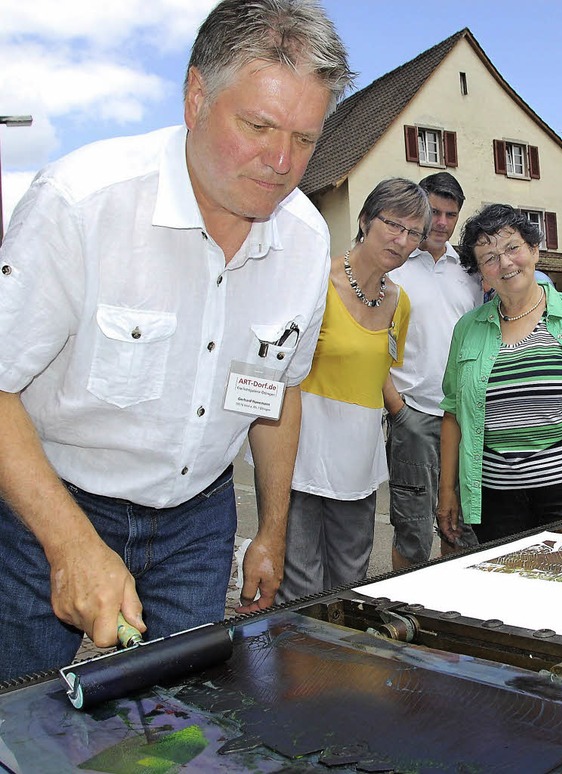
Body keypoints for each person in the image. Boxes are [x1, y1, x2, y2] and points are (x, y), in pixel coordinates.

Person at [0, 0, 354, 681]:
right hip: (51, 500)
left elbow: (278, 393)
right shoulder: (82, 202)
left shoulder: (307, 244)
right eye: (258, 126)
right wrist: (71, 542)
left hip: (198, 522)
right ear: (196, 97)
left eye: (306, 139)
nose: (281, 162)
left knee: (182, 720)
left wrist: (272, 533)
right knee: (17, 706)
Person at [437, 204, 562, 546]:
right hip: (496, 498)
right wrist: (447, 493)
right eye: (489, 258)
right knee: (509, 589)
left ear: (534, 250)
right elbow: (453, 413)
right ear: (481, 274)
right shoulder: (467, 330)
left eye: (512, 248)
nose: (505, 263)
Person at [276, 178, 430, 601]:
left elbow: (380, 369)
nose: (402, 240)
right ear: (364, 220)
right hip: (302, 455)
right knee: (300, 585)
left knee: (349, 581)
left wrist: (407, 421)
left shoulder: (400, 302)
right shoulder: (315, 283)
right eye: (393, 225)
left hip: (359, 462)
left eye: (414, 233)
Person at [383, 172, 483, 570]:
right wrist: (398, 410)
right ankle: (402, 616)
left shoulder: (472, 273)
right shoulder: (395, 268)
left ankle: (450, 618)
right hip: (415, 417)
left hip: (465, 418)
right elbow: (375, 343)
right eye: (435, 212)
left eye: (451, 214)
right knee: (412, 532)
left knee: (460, 529)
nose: (441, 223)